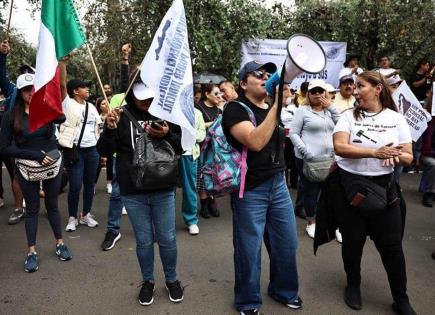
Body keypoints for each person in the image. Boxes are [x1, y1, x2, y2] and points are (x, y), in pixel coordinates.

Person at [97, 70, 184, 306]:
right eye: (142, 97)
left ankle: (172, 279)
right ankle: (148, 281)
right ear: (132, 94)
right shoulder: (120, 115)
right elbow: (103, 151)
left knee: (167, 238)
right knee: (144, 241)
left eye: (151, 96)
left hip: (163, 187)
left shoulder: (165, 112)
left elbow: (181, 147)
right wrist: (111, 128)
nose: (147, 101)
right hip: (133, 190)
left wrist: (167, 134)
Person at [333, 71, 416, 314]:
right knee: (352, 243)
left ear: (378, 88)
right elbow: (339, 147)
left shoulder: (396, 119)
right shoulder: (348, 116)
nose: (355, 91)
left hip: (385, 191)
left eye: (361, 86)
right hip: (352, 191)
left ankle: (401, 299)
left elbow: (409, 157)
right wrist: (374, 152)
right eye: (355, 86)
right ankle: (353, 285)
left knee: (392, 248)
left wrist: (394, 156)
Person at [222, 60, 301, 315]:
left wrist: (276, 105)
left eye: (269, 73)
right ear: (244, 82)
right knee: (248, 248)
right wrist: (277, 105)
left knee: (286, 243)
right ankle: (248, 301)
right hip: (250, 189)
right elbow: (255, 142)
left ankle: (283, 290)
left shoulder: (270, 107)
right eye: (259, 74)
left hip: (278, 185)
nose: (266, 77)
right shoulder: (235, 109)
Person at [0, 73, 72, 272]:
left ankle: (60, 243)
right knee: (32, 209)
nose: (31, 93)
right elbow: (4, 148)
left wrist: (47, 98)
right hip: (26, 167)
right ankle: (31, 251)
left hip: (52, 166)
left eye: (34, 89)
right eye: (26, 90)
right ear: (20, 92)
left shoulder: (46, 109)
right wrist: (34, 155)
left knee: (52, 206)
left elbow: (62, 117)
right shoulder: (10, 115)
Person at [290, 79, 340, 239]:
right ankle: (311, 222)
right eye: (314, 92)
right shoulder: (302, 111)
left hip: (329, 159)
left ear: (325, 93)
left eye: (321, 91)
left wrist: (331, 107)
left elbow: (342, 127)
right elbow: (293, 133)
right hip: (308, 159)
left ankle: (332, 223)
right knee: (311, 192)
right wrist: (305, 151)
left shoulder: (331, 110)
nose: (318, 94)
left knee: (332, 193)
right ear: (308, 94)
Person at [58, 59, 102, 232]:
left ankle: (86, 215)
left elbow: (97, 127)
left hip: (92, 151)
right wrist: (62, 64)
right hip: (75, 151)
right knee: (75, 185)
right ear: (75, 91)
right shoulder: (68, 103)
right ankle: (72, 217)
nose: (87, 89)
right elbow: (62, 84)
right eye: (84, 87)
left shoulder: (91, 106)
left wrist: (99, 148)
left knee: (90, 184)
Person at [100, 43, 131, 251]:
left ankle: (151, 229)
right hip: (124, 157)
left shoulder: (155, 104)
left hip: (147, 159)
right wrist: (125, 59)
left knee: (151, 197)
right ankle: (113, 229)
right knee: (117, 194)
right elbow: (125, 82)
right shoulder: (121, 101)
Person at [0, 39, 26, 224]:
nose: (25, 76)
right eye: (22, 73)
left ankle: (36, 201)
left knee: (32, 174)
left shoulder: (41, 94)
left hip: (31, 142)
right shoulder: (12, 91)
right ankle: (19, 207)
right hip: (12, 143)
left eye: (29, 73)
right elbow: (1, 75)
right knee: (15, 175)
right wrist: (2, 56)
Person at [196, 83, 222, 218]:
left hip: (217, 148)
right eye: (216, 93)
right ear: (207, 94)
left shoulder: (219, 109)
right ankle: (204, 206)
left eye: (220, 93)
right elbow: (197, 125)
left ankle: (212, 201)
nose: (219, 96)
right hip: (202, 148)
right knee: (202, 177)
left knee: (215, 176)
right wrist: (214, 123)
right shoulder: (198, 108)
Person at [179, 108, 206, 235]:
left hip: (189, 154)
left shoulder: (196, 113)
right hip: (168, 155)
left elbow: (202, 135)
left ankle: (191, 221)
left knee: (190, 188)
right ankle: (164, 223)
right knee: (166, 191)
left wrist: (189, 131)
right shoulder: (167, 108)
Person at [280, 84, 298, 188]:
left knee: (294, 161)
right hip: (283, 138)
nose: (290, 95)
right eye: (288, 93)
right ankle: (284, 183)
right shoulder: (278, 108)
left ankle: (294, 182)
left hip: (294, 138)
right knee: (284, 161)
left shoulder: (297, 108)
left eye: (292, 93)